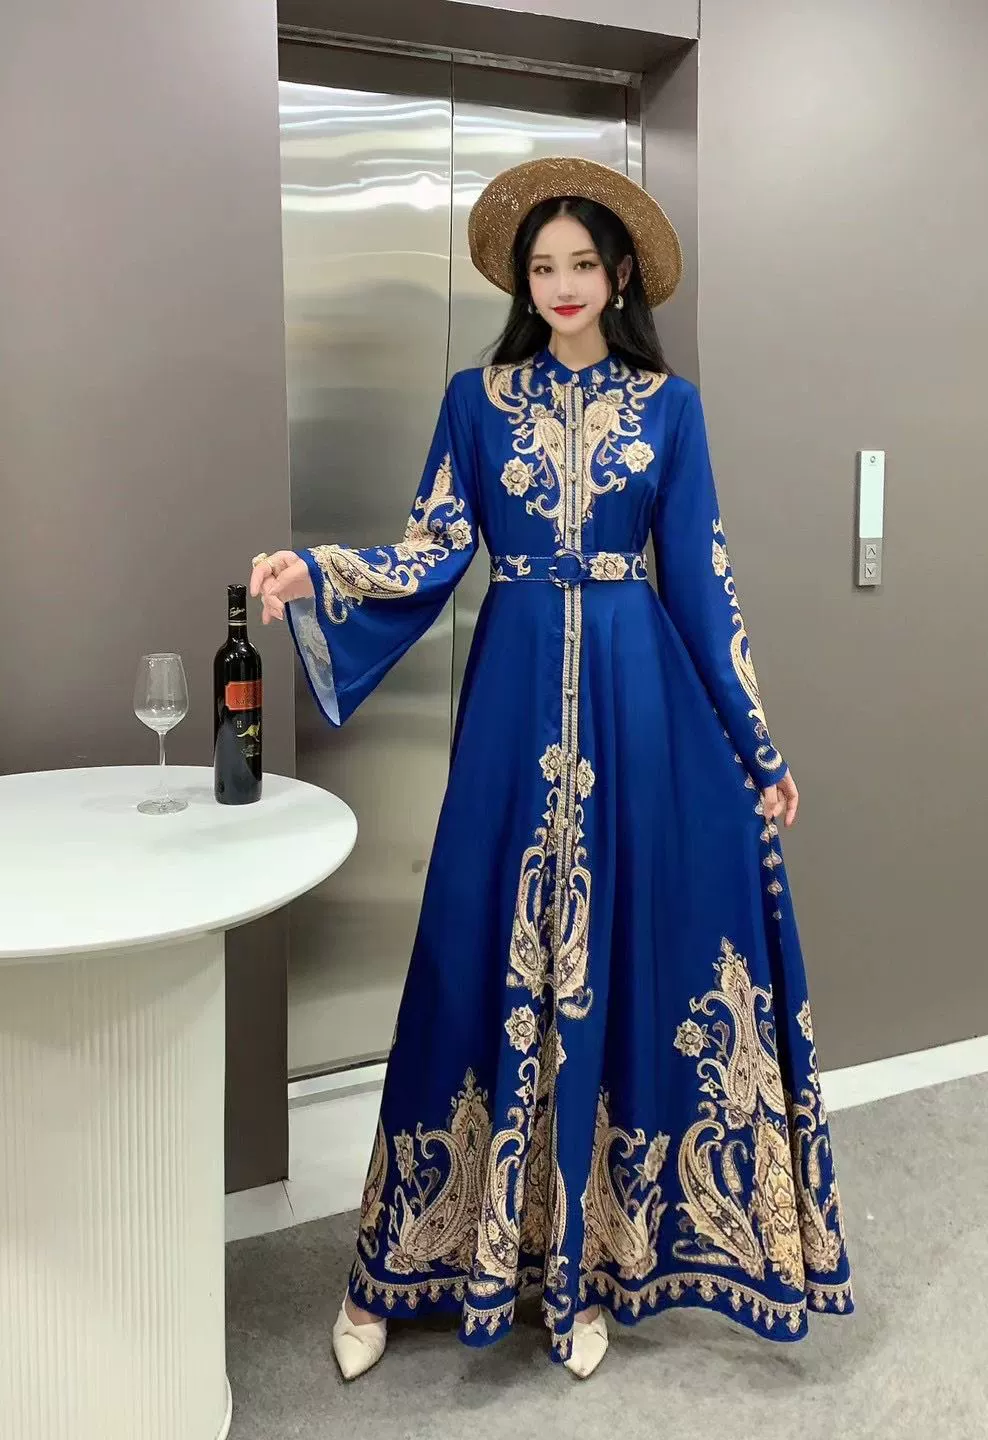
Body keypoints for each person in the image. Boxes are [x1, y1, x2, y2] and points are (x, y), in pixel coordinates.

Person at [250, 156, 852, 1383]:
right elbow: (436, 546)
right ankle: (395, 1265)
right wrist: (324, 571)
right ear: (522, 283)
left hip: (638, 709)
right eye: (543, 267)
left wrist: (759, 746)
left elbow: (703, 582)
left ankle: (582, 1276)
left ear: (619, 276)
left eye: (583, 264)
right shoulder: (476, 402)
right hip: (514, 704)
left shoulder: (669, 410)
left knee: (613, 971)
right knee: (467, 953)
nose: (564, 284)